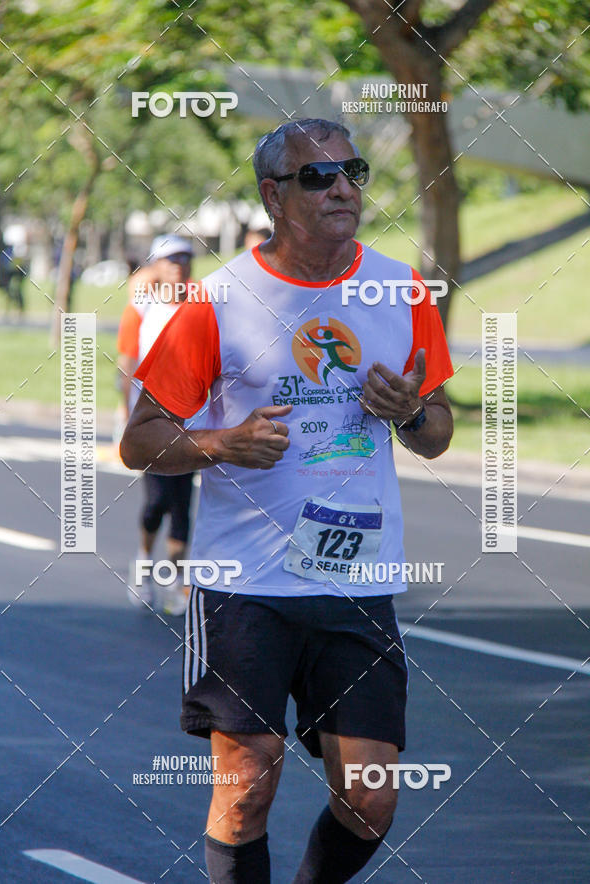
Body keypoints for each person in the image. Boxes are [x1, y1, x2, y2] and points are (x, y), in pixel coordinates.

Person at [121, 118, 454, 883]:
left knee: (370, 799)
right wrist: (223, 442)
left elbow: (436, 433)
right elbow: (140, 441)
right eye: (318, 176)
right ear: (274, 196)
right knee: (247, 786)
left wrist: (409, 411)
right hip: (245, 584)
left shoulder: (400, 288)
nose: (342, 188)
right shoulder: (218, 300)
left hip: (357, 580)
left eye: (352, 172)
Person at [117, 234, 197, 615]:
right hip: (150, 422)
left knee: (182, 505)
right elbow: (126, 363)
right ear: (156, 266)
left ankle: (176, 582)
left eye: (184, 259)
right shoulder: (142, 307)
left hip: (190, 422)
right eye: (170, 259)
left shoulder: (202, 304)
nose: (178, 266)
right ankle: (144, 563)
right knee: (156, 502)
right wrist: (125, 415)